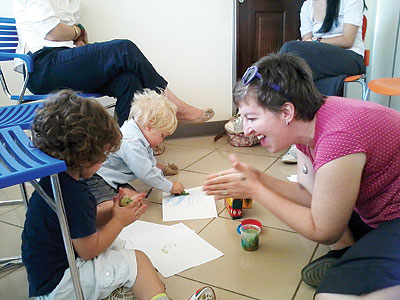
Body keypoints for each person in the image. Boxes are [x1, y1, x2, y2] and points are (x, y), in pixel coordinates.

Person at [202, 53, 400, 300]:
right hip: (378, 206)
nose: (247, 129)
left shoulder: (338, 137)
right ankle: (353, 256)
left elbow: (324, 230)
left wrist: (256, 190)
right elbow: (308, 194)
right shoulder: (310, 124)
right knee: (332, 217)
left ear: (286, 112)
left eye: (252, 118)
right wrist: (258, 179)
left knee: (330, 296)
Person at [22, 90, 216, 300]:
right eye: (103, 156)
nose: (104, 162)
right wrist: (119, 221)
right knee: (138, 260)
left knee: (119, 245)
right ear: (86, 155)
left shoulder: (58, 181)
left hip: (47, 276)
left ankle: (117, 289)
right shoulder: (75, 194)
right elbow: (89, 250)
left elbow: (78, 223)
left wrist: (112, 211)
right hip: (62, 283)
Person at [13, 0, 214, 127]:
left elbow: (78, 41)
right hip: (42, 66)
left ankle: (122, 146)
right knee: (124, 48)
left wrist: (79, 36)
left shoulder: (71, 2)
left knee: (129, 80)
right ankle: (173, 105)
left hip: (67, 63)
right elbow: (53, 32)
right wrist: (78, 31)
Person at [279, 0, 366, 164]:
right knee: (299, 70)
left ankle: (261, 104)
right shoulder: (307, 6)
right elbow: (306, 40)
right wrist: (310, 44)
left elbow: (347, 39)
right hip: (320, 60)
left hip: (349, 57)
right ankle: (303, 139)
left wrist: (315, 43)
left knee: (289, 49)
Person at [84, 89, 185, 210]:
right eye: (162, 135)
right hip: (98, 178)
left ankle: (117, 196)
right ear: (149, 125)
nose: (162, 141)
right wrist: (170, 187)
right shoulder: (132, 142)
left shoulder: (139, 133)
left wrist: (160, 176)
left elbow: (150, 163)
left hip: (114, 178)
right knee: (109, 208)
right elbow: (146, 173)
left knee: (138, 201)